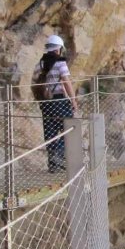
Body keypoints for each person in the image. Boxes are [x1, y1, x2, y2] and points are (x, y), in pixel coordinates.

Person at [32, 34, 78, 172]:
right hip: (59, 100)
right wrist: (73, 100)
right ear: (59, 49)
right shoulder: (60, 63)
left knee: (50, 132)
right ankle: (60, 159)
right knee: (69, 129)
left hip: (46, 103)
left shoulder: (39, 64)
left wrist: (41, 100)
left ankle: (53, 165)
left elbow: (34, 84)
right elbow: (66, 82)